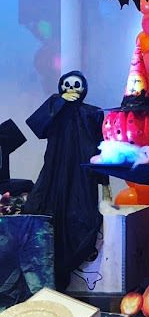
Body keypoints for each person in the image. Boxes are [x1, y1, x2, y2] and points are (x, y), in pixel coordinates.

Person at [24, 71, 106, 291]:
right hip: (54, 172)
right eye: (67, 85)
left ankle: (66, 271)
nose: (71, 89)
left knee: (81, 218)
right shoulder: (55, 107)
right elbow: (38, 127)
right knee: (45, 212)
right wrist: (59, 103)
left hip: (81, 176)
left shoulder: (92, 113)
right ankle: (49, 276)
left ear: (84, 88)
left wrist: (104, 182)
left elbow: (101, 147)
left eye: (76, 85)